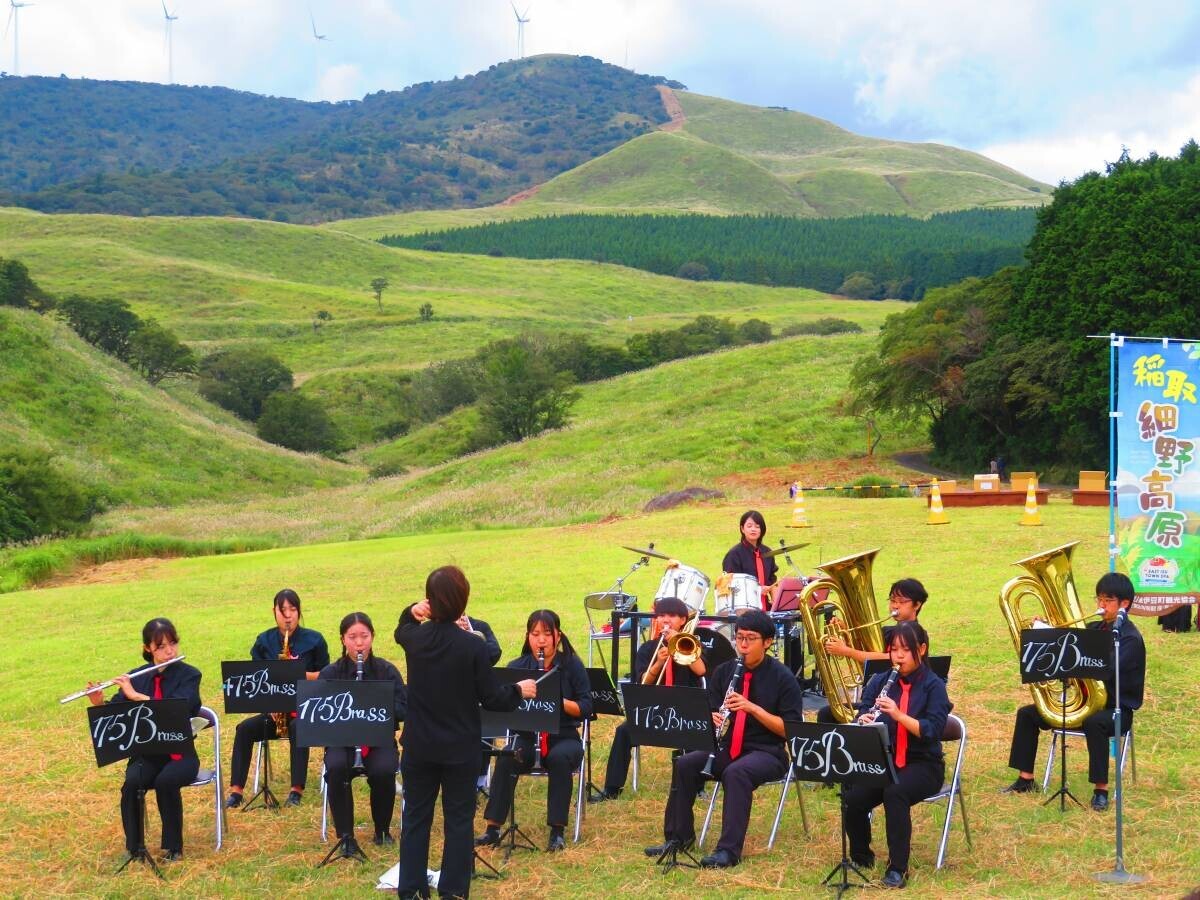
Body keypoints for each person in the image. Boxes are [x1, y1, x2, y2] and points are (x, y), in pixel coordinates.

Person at [395, 566, 536, 900]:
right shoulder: (472, 646)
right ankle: (453, 892)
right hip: (459, 748)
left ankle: (411, 891)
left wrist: (411, 610)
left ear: (430, 601)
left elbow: (401, 628)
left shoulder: (415, 639)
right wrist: (519, 690)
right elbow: (492, 698)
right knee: (458, 822)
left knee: (416, 818)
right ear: (462, 601)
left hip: (419, 746)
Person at [644, 609, 804, 869]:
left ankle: (728, 851)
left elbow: (790, 730)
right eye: (739, 637)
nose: (743, 644)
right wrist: (713, 718)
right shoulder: (726, 671)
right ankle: (678, 838)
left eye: (750, 639)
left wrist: (752, 708)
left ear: (767, 642)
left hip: (768, 752)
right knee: (685, 764)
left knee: (736, 773)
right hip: (728, 746)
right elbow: (709, 710)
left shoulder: (783, 678)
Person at [1003, 572, 1146, 812]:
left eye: (1108, 600)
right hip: (1084, 705)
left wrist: (1078, 657)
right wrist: (1045, 632)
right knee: (1027, 714)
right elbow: (1064, 650)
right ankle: (1025, 779)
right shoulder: (1091, 629)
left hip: (1115, 710)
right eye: (1099, 598)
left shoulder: (1130, 638)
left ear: (1124, 604)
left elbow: (1107, 669)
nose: (1101, 605)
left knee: (1095, 723)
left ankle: (1100, 790)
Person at [842, 621, 951, 889]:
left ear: (922, 649)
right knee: (853, 797)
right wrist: (864, 720)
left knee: (896, 792)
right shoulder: (880, 681)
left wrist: (899, 715)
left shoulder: (933, 686)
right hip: (885, 760)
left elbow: (932, 730)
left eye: (905, 650)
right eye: (893, 650)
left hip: (923, 764)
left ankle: (898, 867)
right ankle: (861, 855)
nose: (898, 656)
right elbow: (862, 713)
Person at [475, 609, 594, 852]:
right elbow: (502, 703)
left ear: (557, 636)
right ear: (527, 636)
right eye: (535, 634)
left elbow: (586, 707)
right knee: (508, 757)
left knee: (560, 759)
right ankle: (493, 828)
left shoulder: (571, 665)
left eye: (547, 634)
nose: (541, 640)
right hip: (527, 735)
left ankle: (557, 830)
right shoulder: (517, 667)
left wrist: (559, 701)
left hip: (564, 735)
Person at [87, 617, 203, 863]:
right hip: (148, 753)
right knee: (132, 782)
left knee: (166, 781)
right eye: (161, 646)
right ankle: (135, 848)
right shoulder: (136, 677)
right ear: (147, 649)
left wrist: (138, 697)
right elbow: (116, 713)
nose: (169, 651)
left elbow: (179, 710)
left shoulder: (190, 675)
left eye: (172, 643)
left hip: (180, 753)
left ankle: (173, 848)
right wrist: (99, 703)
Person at [590, 597, 707, 802]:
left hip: (685, 712)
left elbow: (702, 670)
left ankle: (696, 786)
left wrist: (679, 644)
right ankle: (612, 788)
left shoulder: (690, 645)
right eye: (661, 615)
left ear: (682, 620)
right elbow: (642, 684)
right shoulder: (647, 649)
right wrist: (658, 664)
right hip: (654, 711)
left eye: (671, 615)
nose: (665, 620)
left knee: (700, 729)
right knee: (624, 731)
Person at [226, 589, 330, 809]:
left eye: (293, 610)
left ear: (299, 612)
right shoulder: (264, 641)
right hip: (275, 711)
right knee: (243, 729)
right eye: (282, 611)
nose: (288, 616)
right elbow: (255, 679)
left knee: (297, 727)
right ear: (273, 612)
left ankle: (296, 790)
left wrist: (298, 672)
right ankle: (236, 791)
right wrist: (268, 704)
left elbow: (327, 677)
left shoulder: (315, 640)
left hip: (306, 710)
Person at [320, 612, 408, 856]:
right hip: (341, 741)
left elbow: (403, 708)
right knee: (336, 767)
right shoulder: (331, 673)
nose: (359, 643)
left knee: (383, 770)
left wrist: (376, 703)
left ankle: (382, 830)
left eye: (364, 636)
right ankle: (345, 835)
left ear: (372, 637)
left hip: (379, 740)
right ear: (342, 639)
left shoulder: (386, 671)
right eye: (352, 637)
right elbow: (319, 714)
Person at [721, 510, 778, 606]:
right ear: (742, 529)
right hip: (743, 606)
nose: (753, 529)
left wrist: (776, 604)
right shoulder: (734, 554)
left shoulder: (767, 552)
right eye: (749, 526)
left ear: (762, 530)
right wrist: (757, 590)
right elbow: (730, 585)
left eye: (757, 526)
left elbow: (772, 581)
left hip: (765, 607)